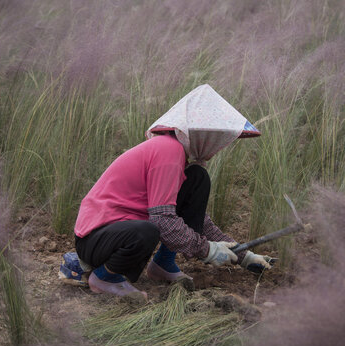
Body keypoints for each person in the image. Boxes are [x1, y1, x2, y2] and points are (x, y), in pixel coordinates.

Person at [59, 84, 272, 299]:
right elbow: (162, 220)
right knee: (147, 230)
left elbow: (194, 219)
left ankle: (163, 263)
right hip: (97, 240)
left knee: (198, 179)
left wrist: (243, 254)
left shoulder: (177, 156)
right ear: (198, 132)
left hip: (118, 233)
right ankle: (105, 277)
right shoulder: (169, 151)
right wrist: (207, 250)